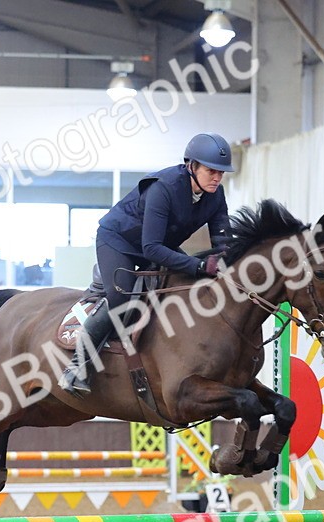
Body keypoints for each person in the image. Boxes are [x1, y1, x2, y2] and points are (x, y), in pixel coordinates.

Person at [58, 132, 234, 397]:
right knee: (124, 302)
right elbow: (150, 247)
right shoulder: (164, 188)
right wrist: (198, 266)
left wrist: (228, 263)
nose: (217, 178)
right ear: (191, 166)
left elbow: (224, 242)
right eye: (211, 171)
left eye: (221, 172)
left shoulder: (215, 195)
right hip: (120, 241)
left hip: (159, 243)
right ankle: (77, 367)